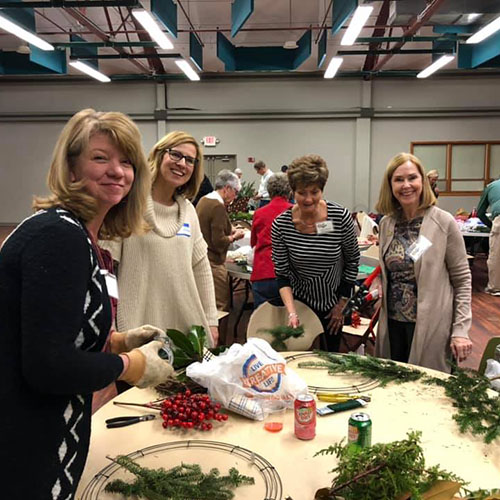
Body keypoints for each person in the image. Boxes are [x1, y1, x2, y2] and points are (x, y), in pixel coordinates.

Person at [0, 109, 174, 500]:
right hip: (25, 441)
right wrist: (131, 365)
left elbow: (53, 328)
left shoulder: (74, 234)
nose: (117, 171)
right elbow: (46, 366)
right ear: (72, 169)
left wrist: (113, 342)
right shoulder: (58, 238)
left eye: (126, 161)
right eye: (101, 158)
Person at [102, 131, 219, 347]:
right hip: (138, 329)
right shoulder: (128, 207)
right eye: (175, 155)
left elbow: (201, 268)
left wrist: (211, 320)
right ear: (158, 155)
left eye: (190, 160)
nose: (182, 163)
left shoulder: (188, 212)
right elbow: (106, 269)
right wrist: (109, 325)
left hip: (186, 330)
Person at [374, 152, 473, 372]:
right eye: (399, 180)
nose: (406, 185)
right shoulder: (387, 224)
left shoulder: (443, 222)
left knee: (427, 389)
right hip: (393, 325)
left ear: (423, 181)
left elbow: (463, 280)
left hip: (432, 325)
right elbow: (388, 271)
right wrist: (378, 284)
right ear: (390, 185)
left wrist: (460, 330)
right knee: (391, 386)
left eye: (412, 178)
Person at [271, 154, 360, 351]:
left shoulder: (339, 217)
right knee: (299, 354)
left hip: (335, 299)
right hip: (299, 300)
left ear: (322, 190)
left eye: (315, 191)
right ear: (293, 192)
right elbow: (282, 274)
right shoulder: (281, 225)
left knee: (331, 355)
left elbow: (353, 261)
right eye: (302, 192)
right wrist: (292, 312)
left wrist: (341, 305)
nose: (309, 199)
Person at [196, 169, 245, 314]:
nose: (235, 197)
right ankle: (221, 336)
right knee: (221, 305)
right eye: (235, 192)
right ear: (227, 188)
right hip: (214, 262)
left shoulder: (205, 200)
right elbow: (219, 242)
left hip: (202, 257)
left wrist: (230, 229)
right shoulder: (217, 206)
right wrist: (234, 237)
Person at [250, 173, 293, 309]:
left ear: (269, 191)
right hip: (289, 273)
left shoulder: (259, 213)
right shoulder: (294, 212)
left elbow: (253, 243)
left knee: (262, 319)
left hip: (263, 272)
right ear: (290, 191)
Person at [477, 176, 500, 295]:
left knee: (496, 255)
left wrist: (491, 226)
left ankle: (495, 287)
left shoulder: (490, 187)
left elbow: (480, 212)